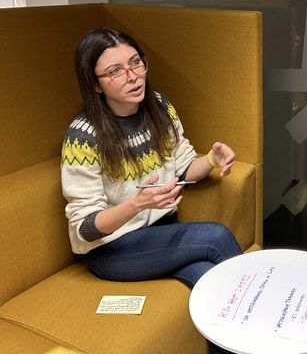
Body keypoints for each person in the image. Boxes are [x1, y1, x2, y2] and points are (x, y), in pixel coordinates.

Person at [61, 27, 242, 289]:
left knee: (210, 280)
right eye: (115, 71)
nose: (133, 76)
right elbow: (85, 228)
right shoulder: (83, 137)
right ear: (94, 84)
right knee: (216, 236)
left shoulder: (158, 106)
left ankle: (263, 323)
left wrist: (212, 159)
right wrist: (137, 204)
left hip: (159, 233)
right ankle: (273, 312)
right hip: (111, 249)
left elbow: (182, 170)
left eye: (135, 63)